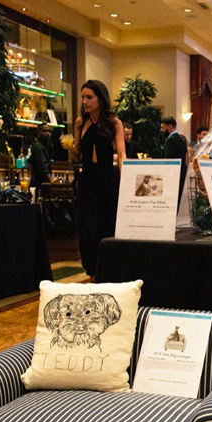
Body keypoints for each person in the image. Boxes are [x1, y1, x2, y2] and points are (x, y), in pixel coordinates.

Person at [73, 80, 126, 276]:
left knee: (106, 224)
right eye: (83, 97)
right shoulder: (80, 122)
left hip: (107, 180)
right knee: (87, 226)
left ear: (100, 99)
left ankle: (107, 269)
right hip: (87, 180)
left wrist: (126, 179)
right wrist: (71, 147)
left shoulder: (114, 123)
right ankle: (91, 269)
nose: (85, 102)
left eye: (89, 97)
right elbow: (77, 152)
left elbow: (121, 154)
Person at [161, 116, 188, 203]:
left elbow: (168, 160)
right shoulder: (181, 139)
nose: (161, 130)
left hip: (174, 175)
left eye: (162, 127)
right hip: (182, 173)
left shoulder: (171, 140)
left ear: (169, 127)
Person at [28, 125, 52, 201]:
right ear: (39, 132)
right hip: (39, 184)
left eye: (49, 131)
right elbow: (43, 165)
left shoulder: (42, 147)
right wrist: (51, 180)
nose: (47, 133)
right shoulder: (38, 146)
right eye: (44, 131)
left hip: (39, 183)